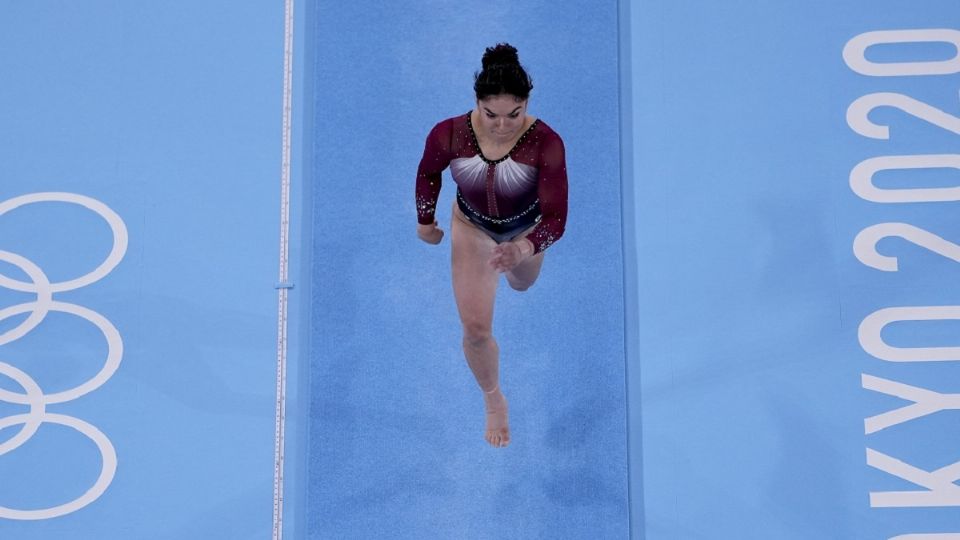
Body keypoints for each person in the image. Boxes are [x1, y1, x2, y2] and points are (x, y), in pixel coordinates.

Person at [414, 43, 568, 448]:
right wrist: (425, 219)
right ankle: (493, 397)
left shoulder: (546, 142)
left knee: (522, 284)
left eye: (513, 115)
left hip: (524, 230)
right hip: (472, 227)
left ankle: (519, 263)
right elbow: (429, 173)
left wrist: (523, 248)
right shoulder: (449, 133)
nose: (502, 125)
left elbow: (557, 219)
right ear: (476, 103)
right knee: (476, 329)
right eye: (491, 115)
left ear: (526, 103)